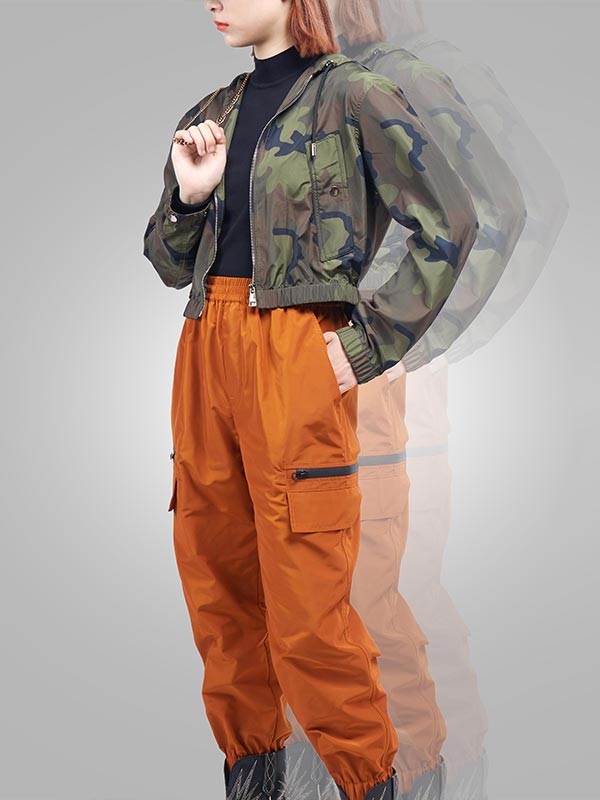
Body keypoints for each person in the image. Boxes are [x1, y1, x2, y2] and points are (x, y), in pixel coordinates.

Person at [142, 2, 478, 799]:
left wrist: (366, 344)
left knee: (309, 614)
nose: (215, 1)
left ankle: (369, 783)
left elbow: (449, 223)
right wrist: (190, 196)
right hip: (204, 345)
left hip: (295, 347)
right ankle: (255, 779)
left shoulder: (356, 96)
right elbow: (166, 261)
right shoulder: (209, 113)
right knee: (218, 597)